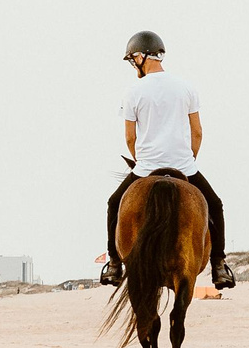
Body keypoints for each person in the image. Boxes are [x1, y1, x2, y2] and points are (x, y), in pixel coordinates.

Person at [100, 30, 234, 290]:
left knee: (114, 204)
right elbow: (197, 132)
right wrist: (188, 159)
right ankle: (219, 265)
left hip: (146, 167)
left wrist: (144, 162)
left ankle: (114, 263)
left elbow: (130, 137)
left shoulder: (133, 91)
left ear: (141, 56)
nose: (133, 65)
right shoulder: (186, 87)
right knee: (215, 206)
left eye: (132, 60)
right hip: (184, 165)